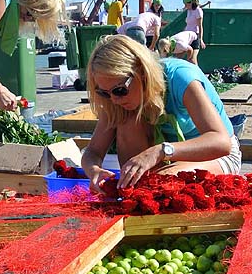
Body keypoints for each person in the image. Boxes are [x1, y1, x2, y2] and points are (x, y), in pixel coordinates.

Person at [81, 35, 241, 193]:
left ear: (142, 72)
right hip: (169, 156)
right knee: (126, 121)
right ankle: (134, 187)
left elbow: (221, 142)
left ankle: (145, 186)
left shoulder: (180, 77)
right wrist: (94, 170)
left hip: (215, 155)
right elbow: (93, 152)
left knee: (164, 183)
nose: (114, 99)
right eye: (104, 93)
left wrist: (160, 151)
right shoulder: (116, 98)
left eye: (120, 90)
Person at [182, 0, 206, 66]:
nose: (185, 6)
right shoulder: (189, 11)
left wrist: (200, 39)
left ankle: (198, 76)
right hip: (187, 36)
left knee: (192, 59)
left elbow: (200, 26)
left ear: (191, 3)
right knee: (185, 58)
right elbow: (188, 24)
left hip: (195, 36)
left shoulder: (198, 11)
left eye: (186, 4)